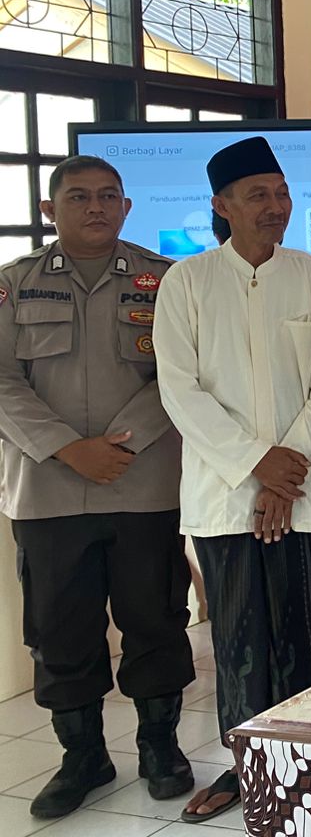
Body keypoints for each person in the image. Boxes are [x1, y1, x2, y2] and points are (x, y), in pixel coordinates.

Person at [153, 136, 311, 823]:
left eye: (281, 192)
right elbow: (181, 390)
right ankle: (248, 769)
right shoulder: (187, 282)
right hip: (226, 496)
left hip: (309, 493)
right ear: (222, 205)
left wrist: (281, 473)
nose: (275, 206)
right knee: (241, 642)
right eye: (257, 195)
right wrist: (255, 465)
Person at [0, 156, 195, 820]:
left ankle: (160, 746)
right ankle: (82, 756)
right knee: (59, 630)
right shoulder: (13, 284)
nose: (96, 207)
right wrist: (68, 448)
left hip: (143, 487)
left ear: (127, 207)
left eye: (109, 196)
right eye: (79, 197)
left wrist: (121, 446)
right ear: (50, 209)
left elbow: (180, 374)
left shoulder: (165, 281)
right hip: (48, 490)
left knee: (155, 619)